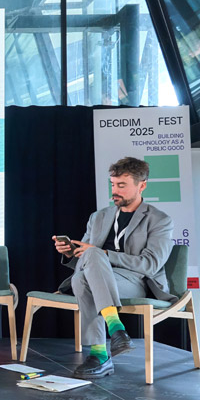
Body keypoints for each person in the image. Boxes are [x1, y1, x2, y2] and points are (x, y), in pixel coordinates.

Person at [53, 157, 173, 379]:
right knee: (81, 277)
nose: (115, 191)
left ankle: (99, 353)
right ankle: (116, 331)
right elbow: (85, 261)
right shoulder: (98, 217)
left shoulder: (159, 220)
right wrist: (71, 252)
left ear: (142, 185)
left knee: (90, 264)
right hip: (97, 276)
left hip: (136, 281)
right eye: (113, 184)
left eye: (122, 185)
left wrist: (104, 254)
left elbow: (150, 264)